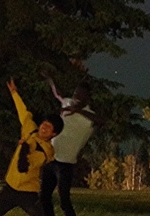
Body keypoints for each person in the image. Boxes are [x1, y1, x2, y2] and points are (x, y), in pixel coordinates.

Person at [0, 79, 64, 216]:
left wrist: (25, 146)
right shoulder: (31, 130)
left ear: (53, 134)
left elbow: (27, 164)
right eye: (45, 123)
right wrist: (14, 93)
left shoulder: (47, 151)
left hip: (28, 193)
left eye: (49, 127)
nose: (44, 127)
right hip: (10, 187)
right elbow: (23, 113)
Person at [40, 80, 99, 216]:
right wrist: (49, 79)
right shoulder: (67, 103)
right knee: (44, 197)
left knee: (64, 200)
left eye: (80, 94)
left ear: (87, 97)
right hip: (51, 158)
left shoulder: (89, 116)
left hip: (65, 164)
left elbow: (101, 120)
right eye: (75, 93)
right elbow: (58, 94)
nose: (76, 97)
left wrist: (77, 110)